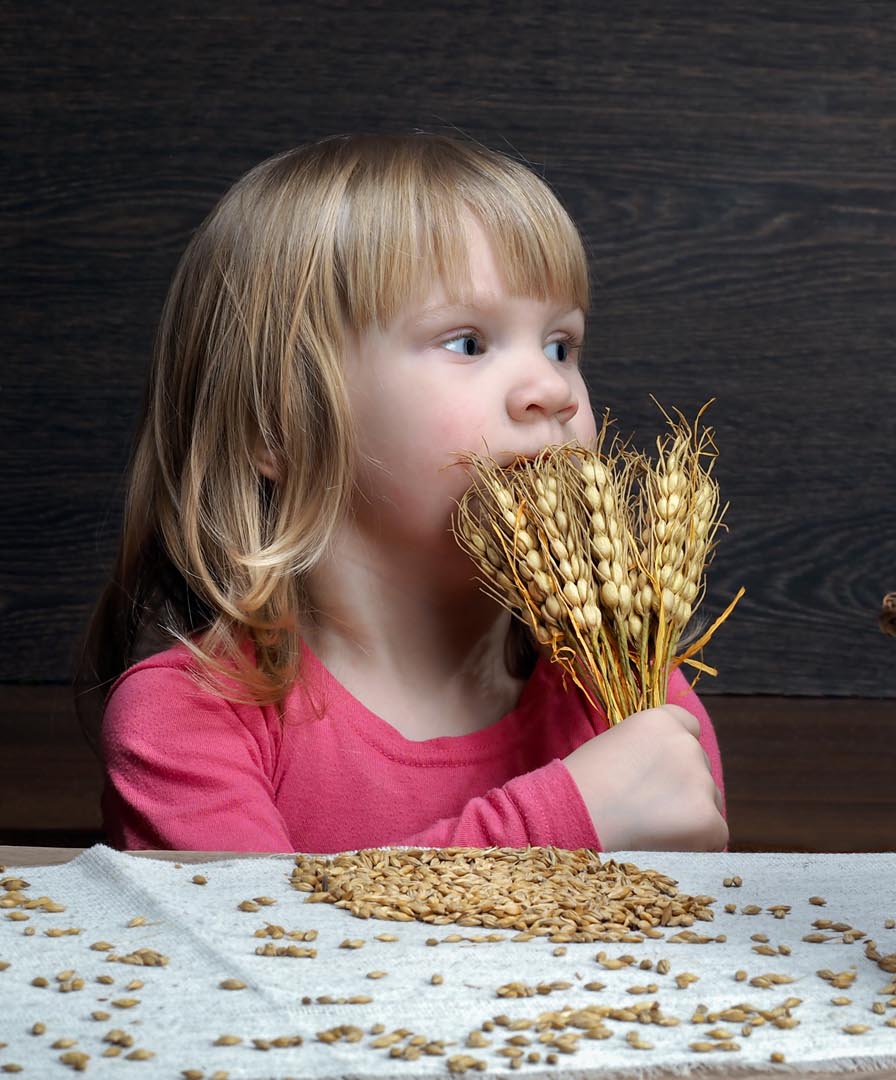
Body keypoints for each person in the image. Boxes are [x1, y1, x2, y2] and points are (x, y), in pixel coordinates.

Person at [75, 133, 727, 854]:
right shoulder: (189, 718)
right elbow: (260, 954)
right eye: (468, 342)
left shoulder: (639, 703)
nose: (552, 391)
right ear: (277, 423)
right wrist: (562, 820)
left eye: (560, 346)